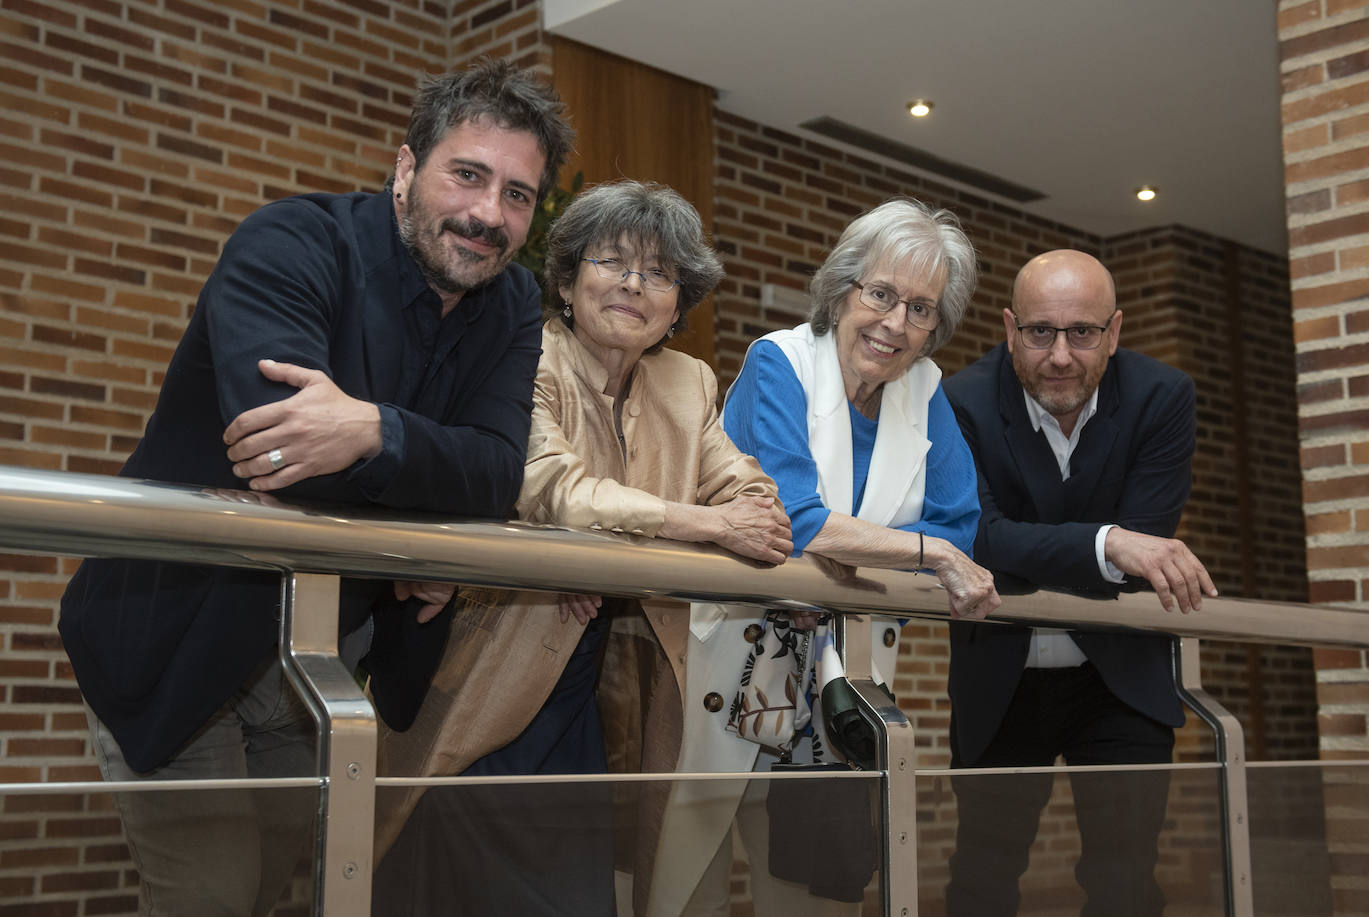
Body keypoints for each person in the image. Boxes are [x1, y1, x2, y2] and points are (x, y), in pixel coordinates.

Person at [56, 58, 574, 917]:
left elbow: (492, 476)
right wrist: (414, 516)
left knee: (274, 896)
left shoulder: (513, 304)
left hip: (310, 663)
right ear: (406, 170)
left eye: (518, 194)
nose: (489, 214)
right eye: (468, 175)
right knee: (213, 899)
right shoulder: (292, 242)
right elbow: (278, 447)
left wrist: (371, 429)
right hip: (173, 639)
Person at [369, 179, 793, 917]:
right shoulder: (526, 352)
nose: (634, 283)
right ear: (566, 281)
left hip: (606, 686)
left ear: (676, 306)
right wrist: (703, 526)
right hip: (494, 664)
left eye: (659, 273)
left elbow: (753, 497)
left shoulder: (688, 382)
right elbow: (553, 489)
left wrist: (643, 537)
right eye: (612, 261)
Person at [648, 198, 1001, 916]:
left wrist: (866, 547)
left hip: (841, 690)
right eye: (881, 294)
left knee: (818, 899)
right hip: (734, 671)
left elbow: (964, 527)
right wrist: (917, 550)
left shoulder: (926, 392)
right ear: (843, 288)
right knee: (689, 889)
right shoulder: (780, 362)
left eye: (921, 308)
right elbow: (795, 518)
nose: (895, 323)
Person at [941, 249, 1218, 916]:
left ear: (1114, 332)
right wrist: (1106, 541)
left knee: (1126, 885)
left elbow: (1147, 536)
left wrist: (1102, 546)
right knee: (981, 878)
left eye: (1082, 332)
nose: (1060, 355)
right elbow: (976, 537)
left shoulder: (1162, 396)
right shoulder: (958, 401)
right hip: (999, 680)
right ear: (1009, 329)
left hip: (1120, 676)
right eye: (1040, 332)